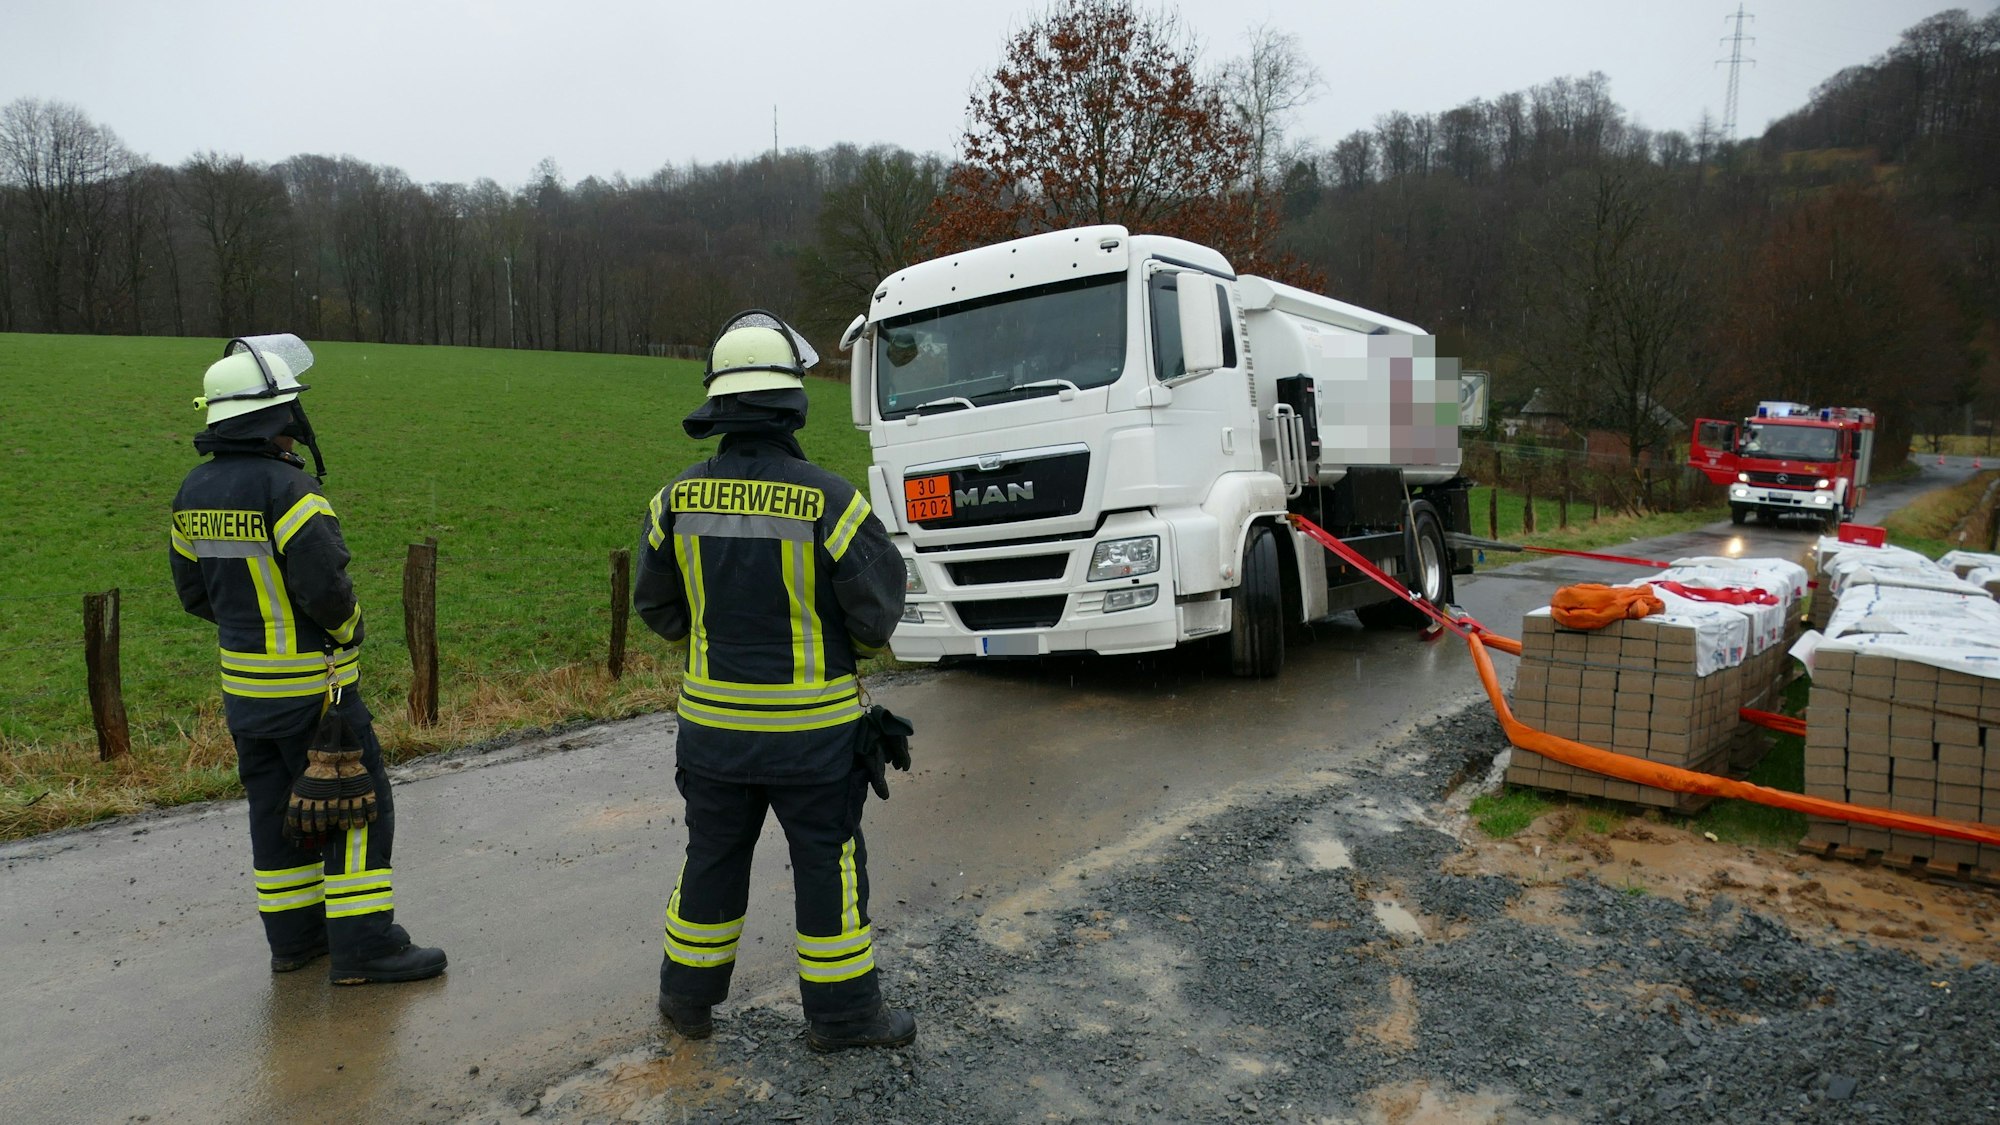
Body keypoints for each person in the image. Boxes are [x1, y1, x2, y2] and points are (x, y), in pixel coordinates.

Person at [635, 310, 913, 1051]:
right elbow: (877, 616)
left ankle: (686, 999)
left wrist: (717, 632)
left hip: (713, 738)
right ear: (792, 400)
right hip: (813, 742)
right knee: (828, 863)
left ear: (718, 403)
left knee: (712, 858)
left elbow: (659, 612)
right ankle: (846, 1018)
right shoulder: (833, 502)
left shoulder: (673, 501)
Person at [170, 335, 445, 985]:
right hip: (317, 697)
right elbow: (327, 591)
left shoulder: (192, 492)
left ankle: (295, 941)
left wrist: (254, 626)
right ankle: (365, 945)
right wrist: (350, 630)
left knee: (276, 812)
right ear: (275, 417)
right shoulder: (291, 492)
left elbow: (192, 593)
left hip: (245, 697)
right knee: (357, 806)